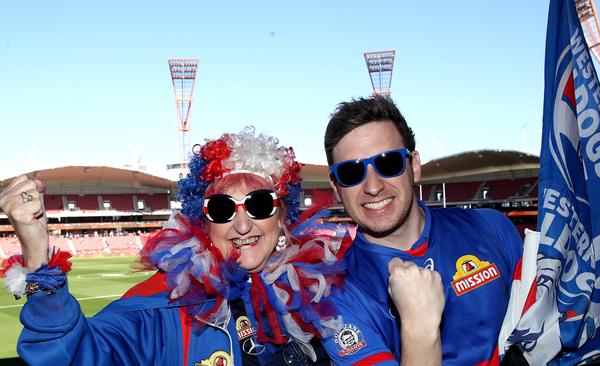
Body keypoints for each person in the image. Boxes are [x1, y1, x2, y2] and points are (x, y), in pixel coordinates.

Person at [0, 127, 349, 365]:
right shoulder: (163, 307)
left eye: (260, 205)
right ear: (204, 222)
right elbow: (75, 355)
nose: (243, 225)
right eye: (223, 208)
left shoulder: (328, 289)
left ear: (283, 215)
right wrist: (36, 253)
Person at [320, 96, 523, 365]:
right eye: (350, 172)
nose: (372, 186)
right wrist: (418, 327)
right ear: (335, 187)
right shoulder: (333, 297)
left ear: (413, 166)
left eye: (388, 163)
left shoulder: (491, 227)